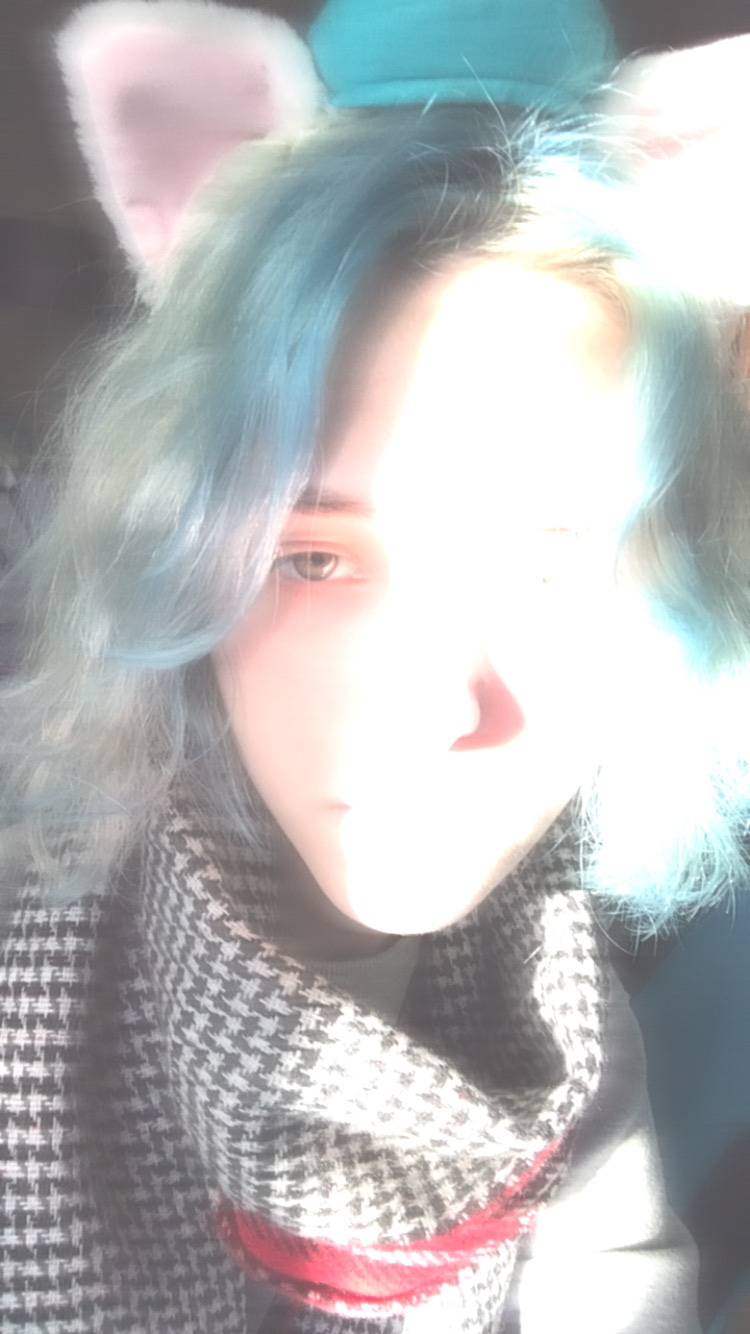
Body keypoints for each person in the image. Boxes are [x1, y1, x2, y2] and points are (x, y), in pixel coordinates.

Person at [1, 2, 749, 1330]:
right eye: (312, 559)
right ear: (178, 554)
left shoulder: (553, 977)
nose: (438, 709)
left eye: (549, 573)